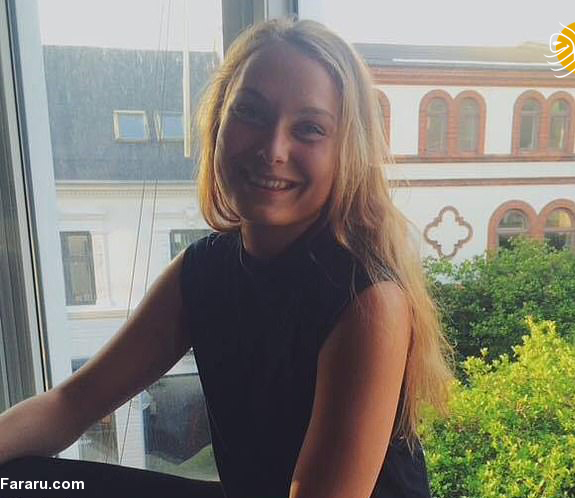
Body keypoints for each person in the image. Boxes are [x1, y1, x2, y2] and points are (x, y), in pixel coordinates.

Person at [0, 18, 453, 498]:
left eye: (309, 128)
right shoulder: (203, 271)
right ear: (218, 123)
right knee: (19, 482)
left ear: (348, 153)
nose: (273, 149)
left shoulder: (368, 301)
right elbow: (73, 403)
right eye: (251, 113)